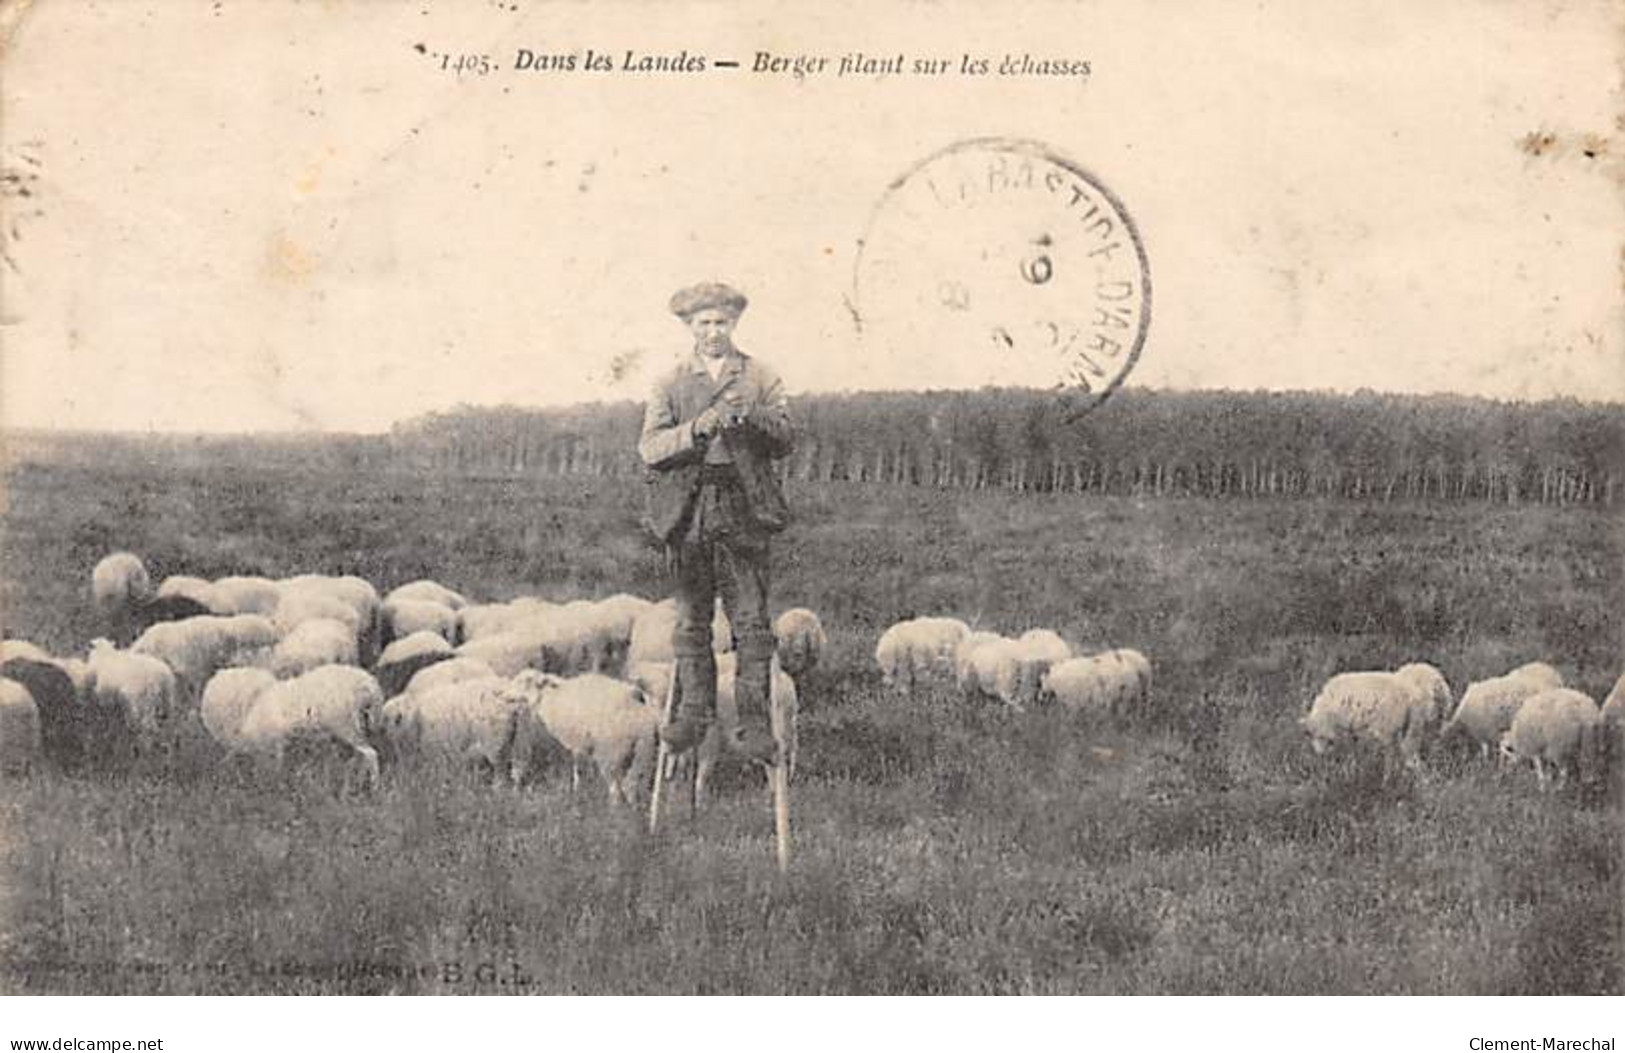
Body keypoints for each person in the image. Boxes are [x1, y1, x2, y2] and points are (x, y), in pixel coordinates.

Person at [638, 281, 795, 766]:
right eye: (703, 323)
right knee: (691, 621)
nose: (713, 331)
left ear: (734, 325)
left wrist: (755, 420)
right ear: (688, 326)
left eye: (721, 322)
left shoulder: (760, 376)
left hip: (744, 508)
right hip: (688, 512)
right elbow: (650, 448)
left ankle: (752, 723)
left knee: (750, 622)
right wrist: (698, 428)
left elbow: (787, 437)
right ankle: (694, 714)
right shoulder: (669, 382)